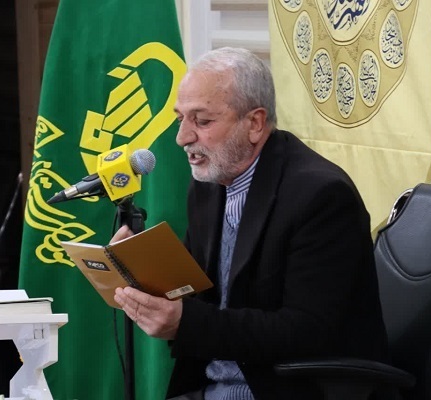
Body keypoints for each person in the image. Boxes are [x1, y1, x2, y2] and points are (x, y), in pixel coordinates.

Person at [112, 47, 388, 400]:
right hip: (211, 387)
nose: (182, 137)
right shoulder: (209, 183)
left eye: (202, 121)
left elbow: (307, 331)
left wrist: (185, 322)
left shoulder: (322, 196)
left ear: (255, 123)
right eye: (180, 118)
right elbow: (199, 291)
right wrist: (146, 271)